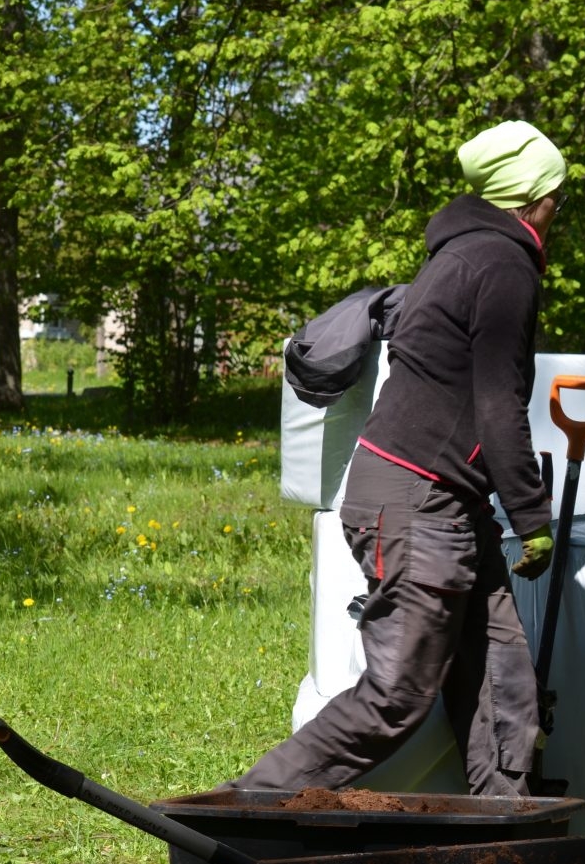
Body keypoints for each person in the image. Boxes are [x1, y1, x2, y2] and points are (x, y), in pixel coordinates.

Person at [230, 120, 566, 796]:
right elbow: (499, 401)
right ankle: (247, 806)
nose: (560, 205)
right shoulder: (502, 267)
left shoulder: (465, 253)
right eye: (556, 191)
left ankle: (506, 835)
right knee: (398, 696)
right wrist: (531, 516)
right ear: (530, 194)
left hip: (443, 498)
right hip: (417, 501)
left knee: (503, 682)